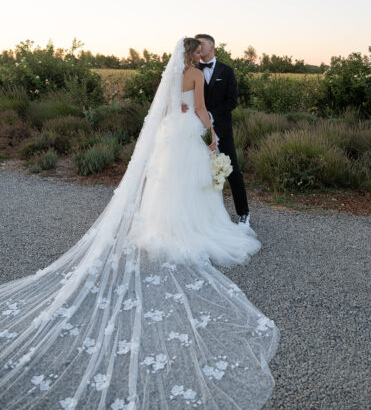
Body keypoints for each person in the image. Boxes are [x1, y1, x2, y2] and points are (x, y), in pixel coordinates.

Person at [0, 37, 279, 409]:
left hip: (168, 136)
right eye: (199, 49)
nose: (201, 54)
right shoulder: (195, 73)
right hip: (187, 134)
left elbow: (166, 110)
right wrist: (211, 137)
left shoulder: (170, 76)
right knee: (193, 185)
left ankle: (163, 225)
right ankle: (193, 228)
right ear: (193, 53)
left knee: (168, 184)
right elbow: (199, 108)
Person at [181, 34, 251, 228]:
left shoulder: (227, 71)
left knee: (232, 170)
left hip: (220, 127)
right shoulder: (190, 71)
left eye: (201, 44)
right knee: (199, 171)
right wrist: (180, 104)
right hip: (195, 129)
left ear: (211, 47)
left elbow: (232, 101)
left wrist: (210, 117)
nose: (198, 47)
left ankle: (244, 213)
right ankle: (203, 216)